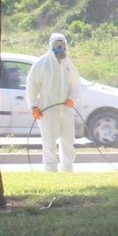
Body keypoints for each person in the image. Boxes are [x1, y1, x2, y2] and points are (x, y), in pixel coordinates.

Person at [26, 32, 82, 174]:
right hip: (47, 108)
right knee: (49, 140)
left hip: (65, 107)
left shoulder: (68, 63)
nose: (60, 47)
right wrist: (33, 106)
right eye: (57, 44)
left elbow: (75, 83)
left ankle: (67, 169)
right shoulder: (41, 63)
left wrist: (72, 99)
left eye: (62, 45)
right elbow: (32, 85)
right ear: (51, 45)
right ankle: (50, 169)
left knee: (68, 140)